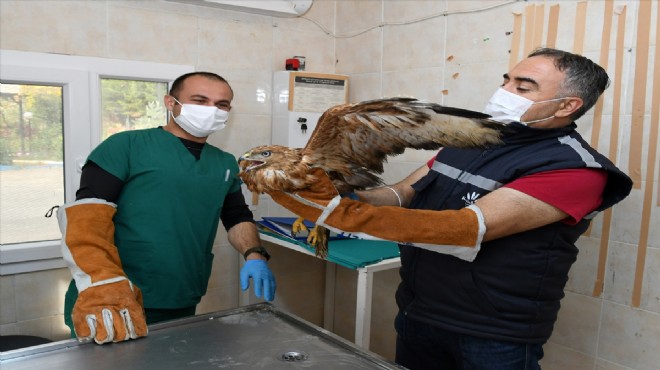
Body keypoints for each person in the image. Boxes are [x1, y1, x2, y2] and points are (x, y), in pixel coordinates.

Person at [267, 48, 632, 369]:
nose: (504, 92)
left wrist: (344, 216)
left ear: (569, 105)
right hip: (419, 310)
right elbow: (403, 193)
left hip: (492, 331)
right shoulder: (475, 140)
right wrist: (339, 197)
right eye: (506, 81)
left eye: (523, 88)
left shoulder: (575, 169)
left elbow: (466, 229)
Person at [57, 71, 276, 344]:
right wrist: (102, 284)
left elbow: (236, 216)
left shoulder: (225, 163)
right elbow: (86, 219)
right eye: (200, 100)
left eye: (221, 105)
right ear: (170, 103)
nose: (212, 110)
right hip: (113, 296)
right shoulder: (126, 146)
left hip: (180, 294)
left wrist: (254, 254)